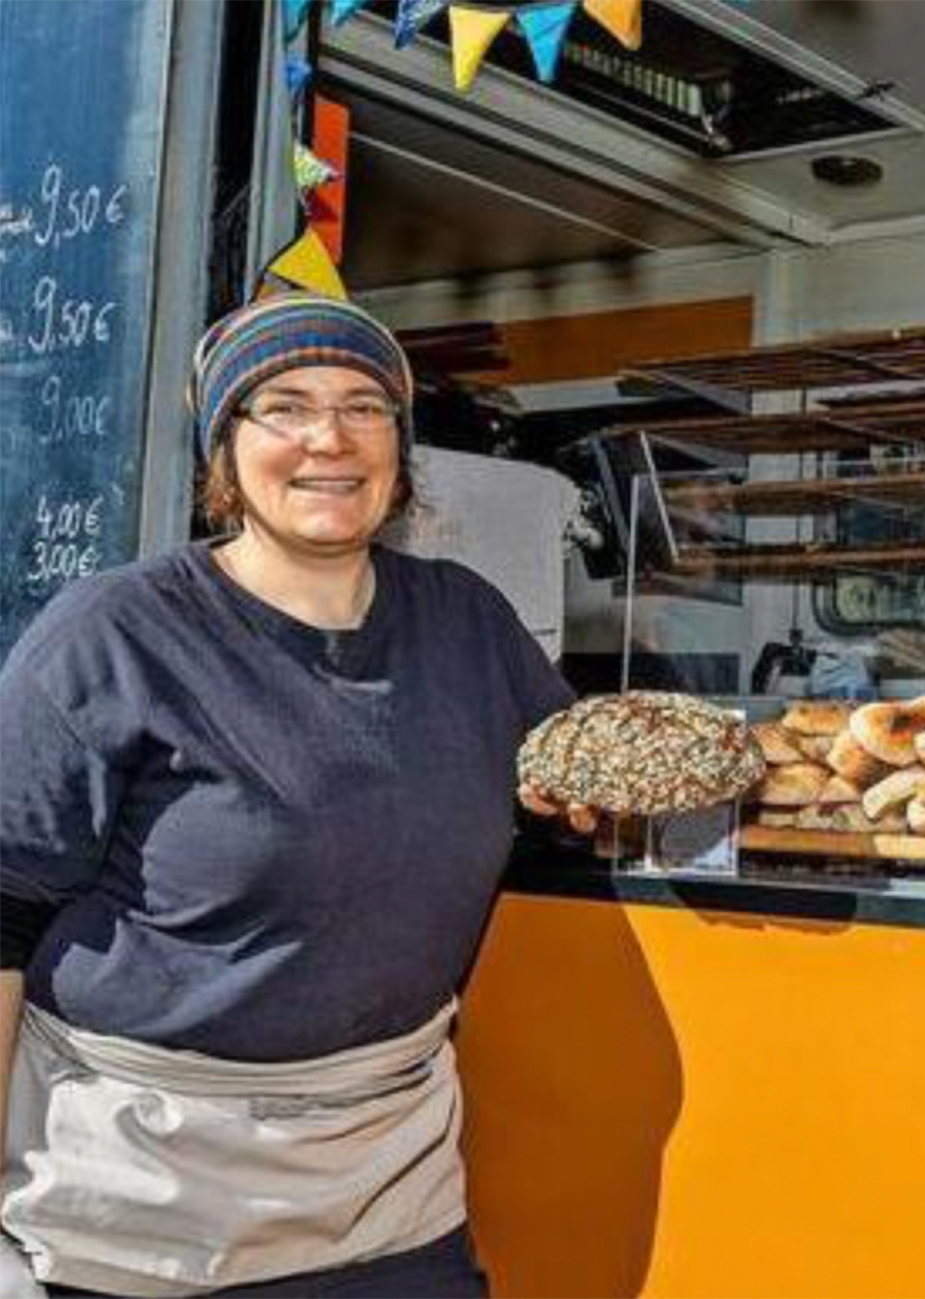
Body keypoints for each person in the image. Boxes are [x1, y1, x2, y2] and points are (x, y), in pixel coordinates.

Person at [0, 293, 576, 1297]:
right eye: (284, 406)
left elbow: (572, 782)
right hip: (140, 1207)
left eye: (365, 406)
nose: (329, 438)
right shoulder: (116, 634)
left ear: (401, 446)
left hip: (389, 1189)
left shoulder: (470, 625)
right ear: (226, 451)